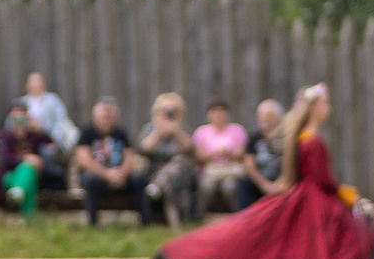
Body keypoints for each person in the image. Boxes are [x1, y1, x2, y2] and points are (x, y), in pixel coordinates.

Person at [155, 84, 370, 259]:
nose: (328, 108)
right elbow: (324, 181)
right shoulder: (312, 140)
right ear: (314, 108)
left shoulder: (304, 137)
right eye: (325, 103)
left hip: (306, 193)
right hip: (315, 198)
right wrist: (346, 194)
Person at [72, 99, 142, 225]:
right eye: (104, 117)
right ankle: (93, 224)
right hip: (98, 175)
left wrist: (122, 173)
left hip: (120, 175)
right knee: (89, 179)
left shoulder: (121, 133)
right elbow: (83, 158)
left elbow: (130, 155)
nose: (107, 120)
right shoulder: (87, 132)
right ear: (96, 117)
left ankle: (145, 223)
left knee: (140, 178)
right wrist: (106, 174)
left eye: (110, 117)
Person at [136, 93, 194, 228]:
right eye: (165, 111)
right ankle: (175, 226)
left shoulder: (183, 129)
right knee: (169, 184)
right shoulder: (150, 129)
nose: (169, 114)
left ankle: (157, 186)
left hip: (180, 173)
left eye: (173, 111)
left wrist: (177, 131)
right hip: (155, 170)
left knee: (179, 161)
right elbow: (144, 149)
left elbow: (190, 150)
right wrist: (159, 132)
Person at [191, 98, 252, 215]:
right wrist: (214, 154)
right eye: (214, 111)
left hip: (230, 170)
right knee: (206, 186)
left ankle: (236, 216)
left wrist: (228, 153)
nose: (218, 115)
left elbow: (241, 154)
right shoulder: (202, 132)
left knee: (230, 187)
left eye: (221, 111)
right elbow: (198, 157)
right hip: (209, 170)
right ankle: (201, 216)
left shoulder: (237, 130)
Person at [18, 71, 76, 153]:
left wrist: (53, 139)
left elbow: (61, 121)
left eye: (38, 81)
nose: (35, 84)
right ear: (27, 85)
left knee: (47, 152)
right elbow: (11, 123)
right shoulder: (21, 102)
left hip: (48, 139)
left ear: (44, 84)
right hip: (27, 141)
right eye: (32, 81)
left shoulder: (53, 100)